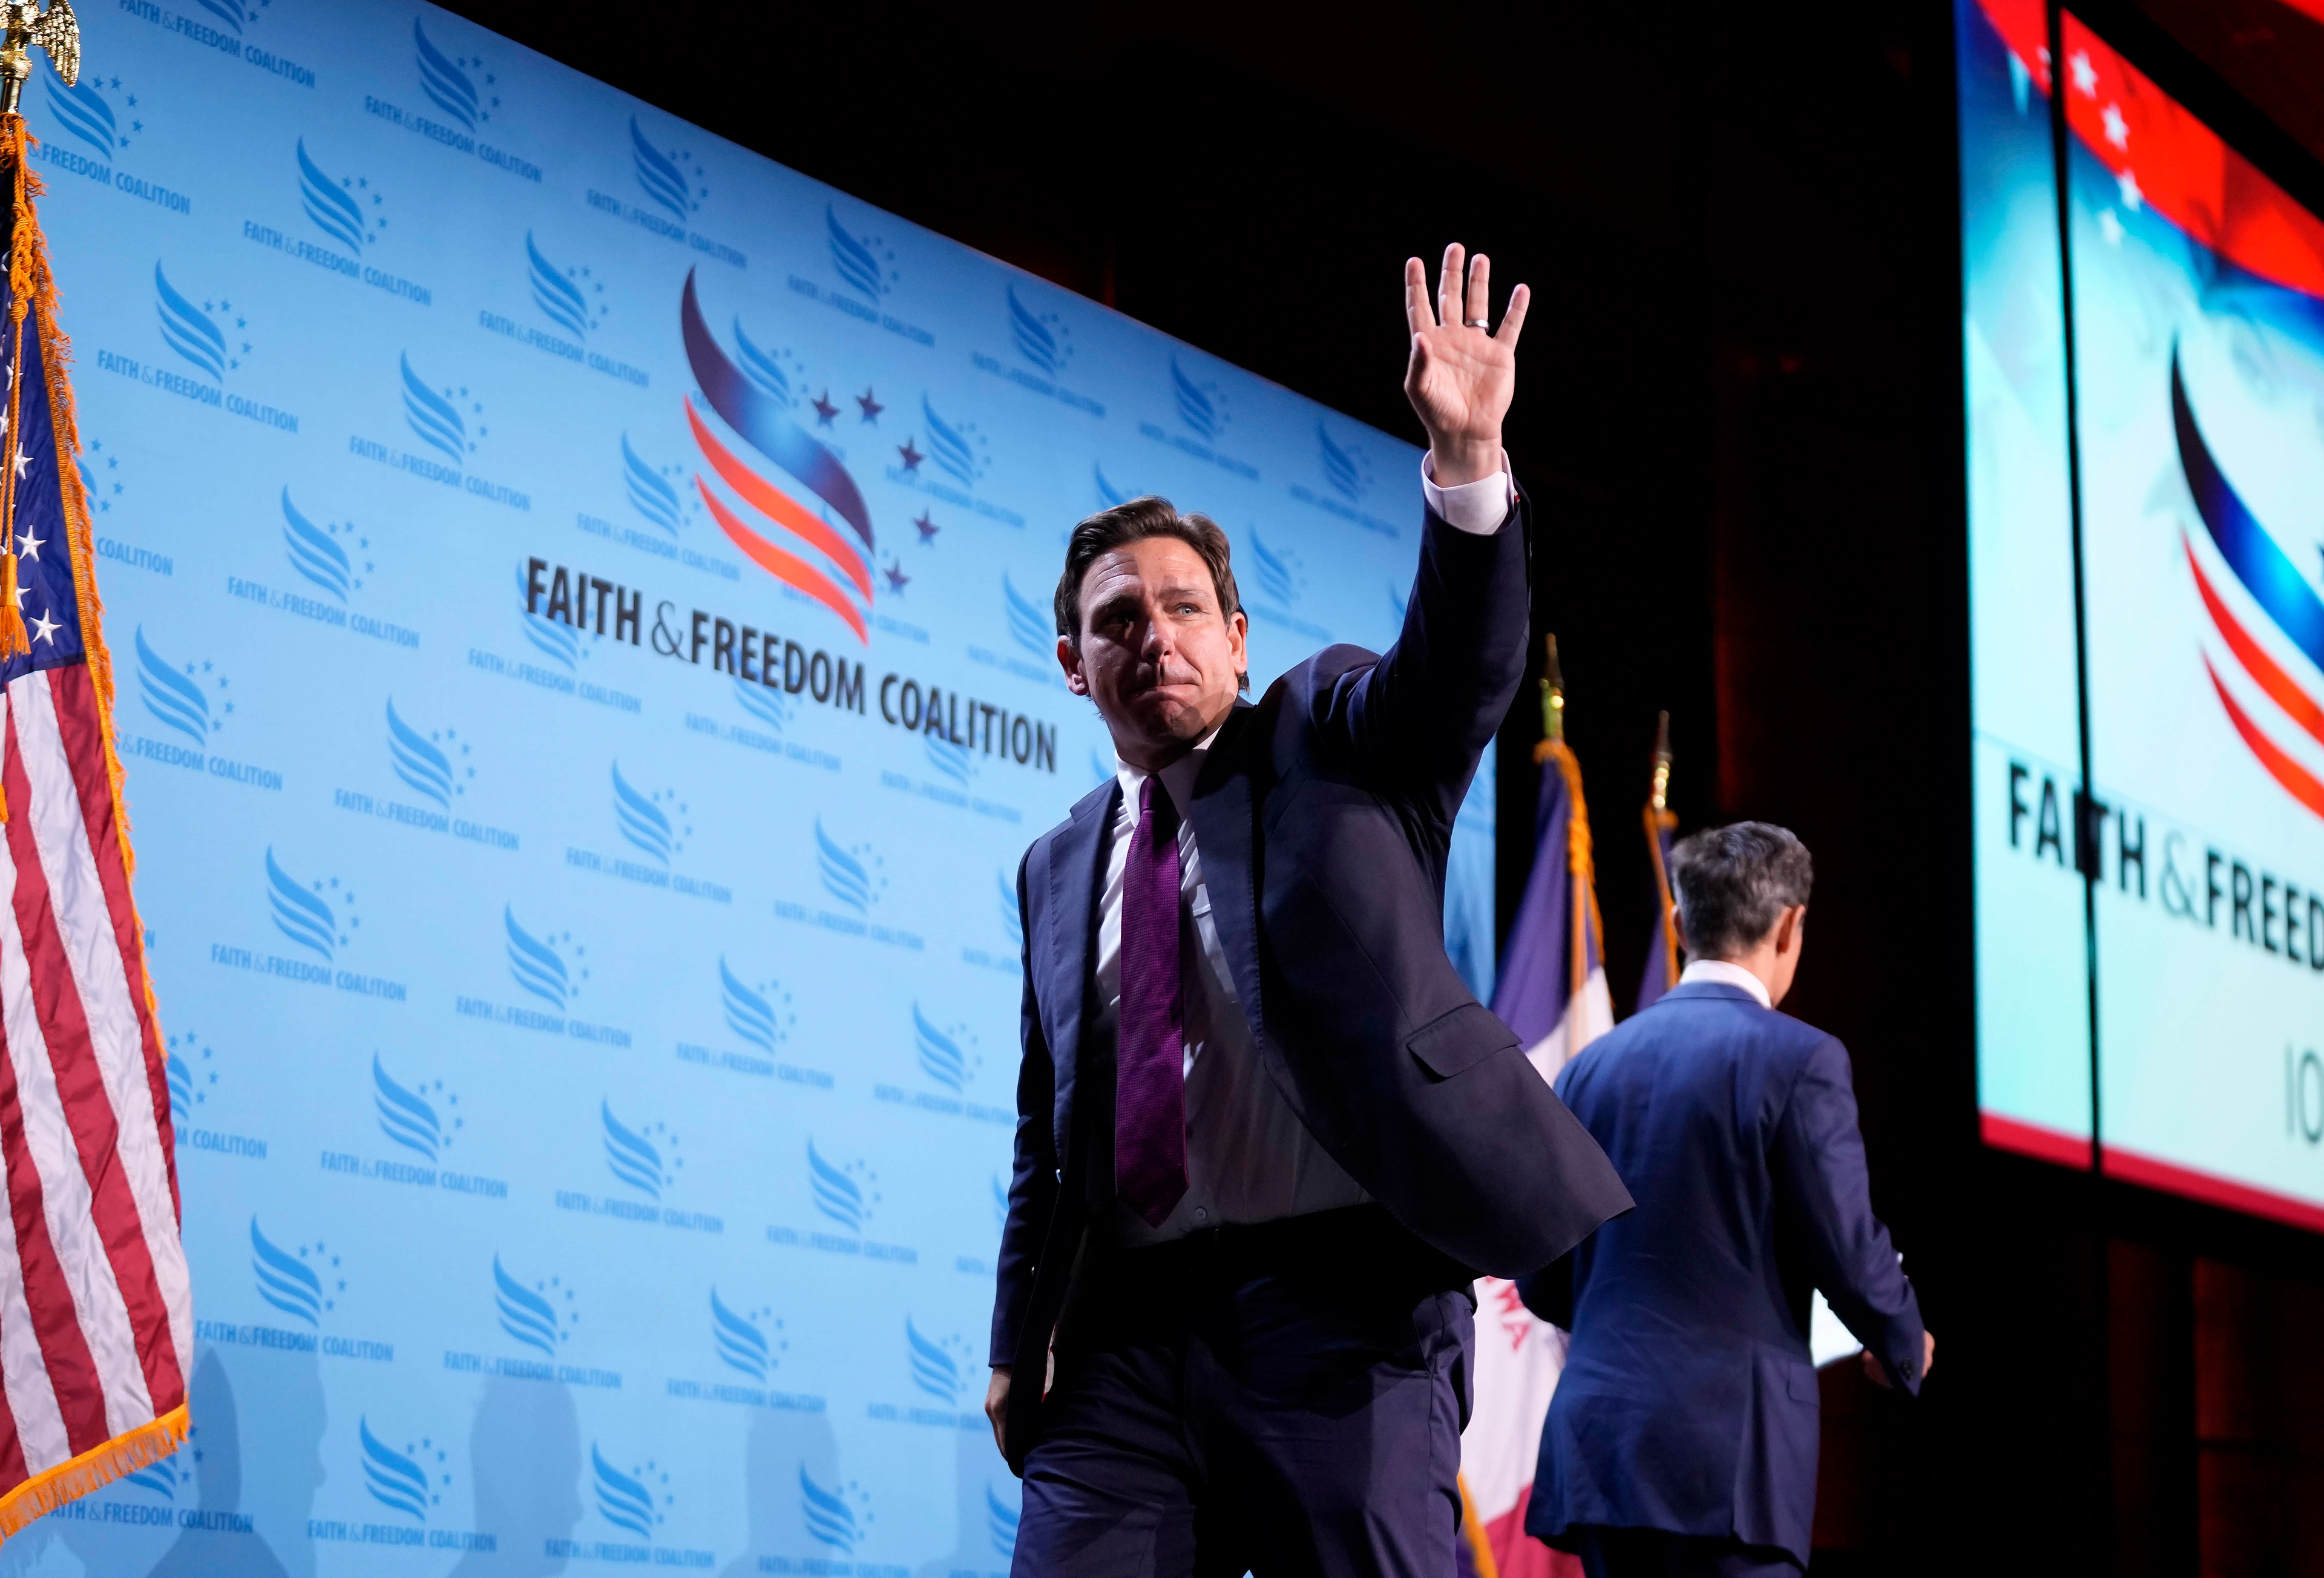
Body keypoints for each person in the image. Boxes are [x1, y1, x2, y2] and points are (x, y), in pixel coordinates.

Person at [985, 243, 1633, 1578]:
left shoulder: (1328, 736)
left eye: (1185, 608)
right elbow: (1049, 1133)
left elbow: (1455, 675)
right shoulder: (1056, 864)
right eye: (1118, 620)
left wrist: (1468, 460)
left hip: (1341, 1309)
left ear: (1236, 638)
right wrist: (1014, 1340)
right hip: (1123, 1338)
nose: (1154, 635)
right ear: (1073, 666)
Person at [1518, 821, 1933, 1578]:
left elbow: (1542, 1279)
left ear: (1680, 925)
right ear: (1790, 927)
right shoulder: (1801, 1060)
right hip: (1727, 1464)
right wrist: (1901, 1338)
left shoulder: (1588, 1070)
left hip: (1602, 1456)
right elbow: (1848, 1247)